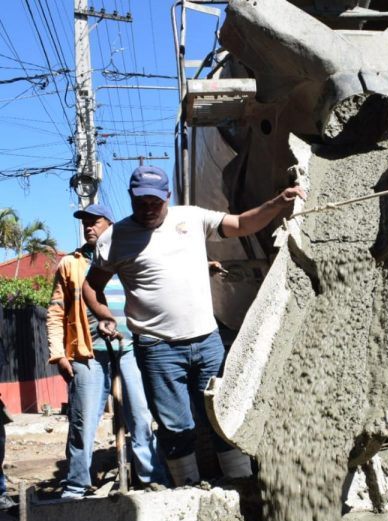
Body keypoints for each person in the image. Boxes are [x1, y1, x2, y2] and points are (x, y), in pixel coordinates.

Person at [84, 165, 305, 486]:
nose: (148, 209)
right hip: (157, 349)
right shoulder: (115, 238)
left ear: (167, 197)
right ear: (130, 198)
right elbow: (91, 286)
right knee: (176, 427)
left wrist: (277, 203)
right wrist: (104, 315)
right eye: (140, 202)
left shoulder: (190, 218)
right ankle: (188, 491)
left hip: (206, 342)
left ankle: (241, 485)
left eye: (154, 202)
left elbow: (242, 224)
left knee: (224, 415)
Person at [47, 204, 168, 499]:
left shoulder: (129, 253)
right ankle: (76, 486)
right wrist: (59, 354)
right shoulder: (71, 264)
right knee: (83, 420)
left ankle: (150, 477)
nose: (89, 227)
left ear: (110, 225)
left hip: (129, 347)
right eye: (85, 223)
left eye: (95, 222)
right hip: (87, 352)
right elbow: (55, 311)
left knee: (140, 413)